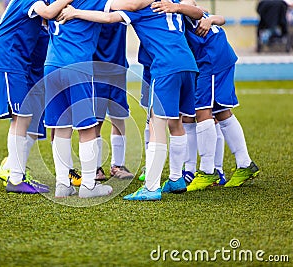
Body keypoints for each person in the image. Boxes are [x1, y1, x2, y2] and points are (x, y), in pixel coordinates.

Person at [57, 0, 203, 201]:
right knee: (176, 123)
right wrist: (178, 7)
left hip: (166, 68)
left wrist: (75, 13)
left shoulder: (141, 7)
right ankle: (176, 178)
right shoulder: (172, 3)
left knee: (156, 126)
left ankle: (151, 188)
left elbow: (108, 17)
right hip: (188, 65)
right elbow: (197, 13)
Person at [44, 0, 152, 198]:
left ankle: (62, 184)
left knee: (61, 128)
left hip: (51, 65)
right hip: (77, 65)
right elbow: (128, 7)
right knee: (86, 129)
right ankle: (88, 186)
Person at [152, 0, 260, 191]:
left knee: (202, 112)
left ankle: (208, 171)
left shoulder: (180, 10)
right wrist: (208, 19)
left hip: (209, 61)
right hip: (220, 57)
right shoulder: (187, 12)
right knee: (222, 112)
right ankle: (245, 164)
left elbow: (200, 12)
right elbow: (216, 16)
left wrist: (178, 7)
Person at [0, 0, 74, 194]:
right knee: (21, 118)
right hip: (9, 62)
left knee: (29, 119)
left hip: (20, 64)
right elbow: (48, 12)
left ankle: (18, 173)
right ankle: (15, 177)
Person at [93, 23, 134, 181]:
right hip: (96, 71)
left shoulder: (122, 7)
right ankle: (95, 168)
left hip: (118, 69)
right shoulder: (91, 6)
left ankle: (117, 165)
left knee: (119, 118)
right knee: (96, 122)